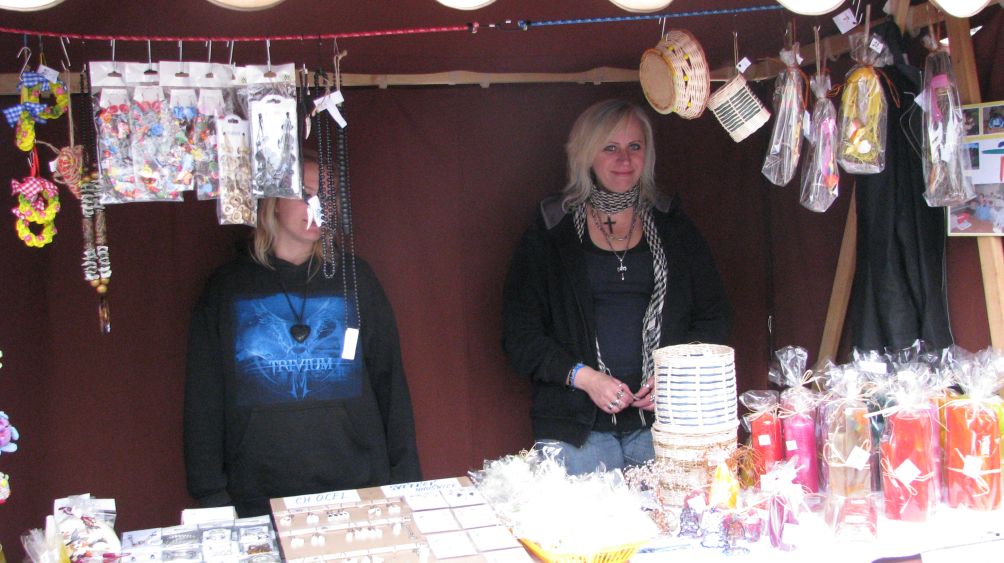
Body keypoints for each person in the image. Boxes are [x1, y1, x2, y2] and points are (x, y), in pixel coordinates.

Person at [502, 99, 732, 475]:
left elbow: (714, 316)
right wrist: (586, 379)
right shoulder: (552, 230)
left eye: (634, 146)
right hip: (575, 427)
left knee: (679, 512)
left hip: (665, 422)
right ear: (586, 154)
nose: (624, 159)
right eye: (610, 147)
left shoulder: (672, 225)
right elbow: (520, 335)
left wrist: (675, 377)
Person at [184, 152, 421, 516]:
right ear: (272, 203)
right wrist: (210, 492)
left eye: (328, 196)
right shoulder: (228, 287)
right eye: (306, 194)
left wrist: (406, 478)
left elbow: (390, 382)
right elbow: (204, 394)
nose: (318, 207)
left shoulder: (356, 279)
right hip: (258, 492)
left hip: (358, 484)